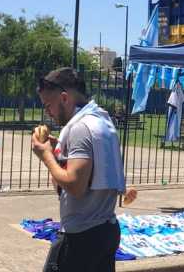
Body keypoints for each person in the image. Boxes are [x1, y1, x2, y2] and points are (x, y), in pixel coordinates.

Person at [33, 67, 125, 271]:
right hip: (105, 229)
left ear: (64, 98)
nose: (47, 112)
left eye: (48, 105)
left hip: (81, 237)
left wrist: (46, 155)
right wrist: (60, 153)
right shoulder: (101, 120)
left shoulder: (79, 128)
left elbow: (75, 186)